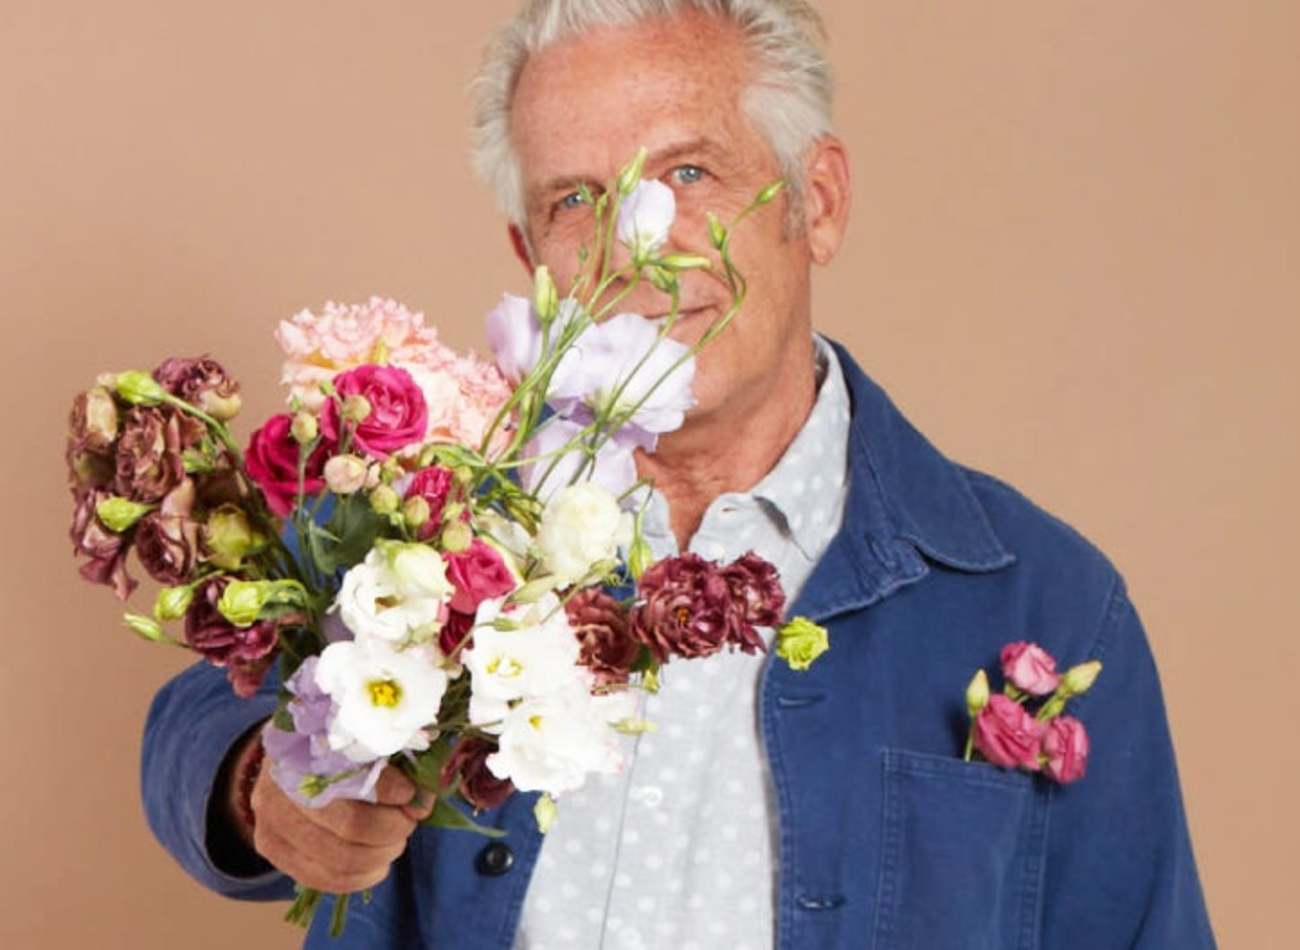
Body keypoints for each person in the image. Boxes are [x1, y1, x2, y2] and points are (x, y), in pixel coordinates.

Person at [141, 2, 1218, 947]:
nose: (635, 251)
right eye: (575, 200)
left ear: (817, 201)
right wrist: (258, 784)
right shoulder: (427, 516)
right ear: (529, 256)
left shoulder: (1044, 601)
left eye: (688, 174)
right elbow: (201, 713)